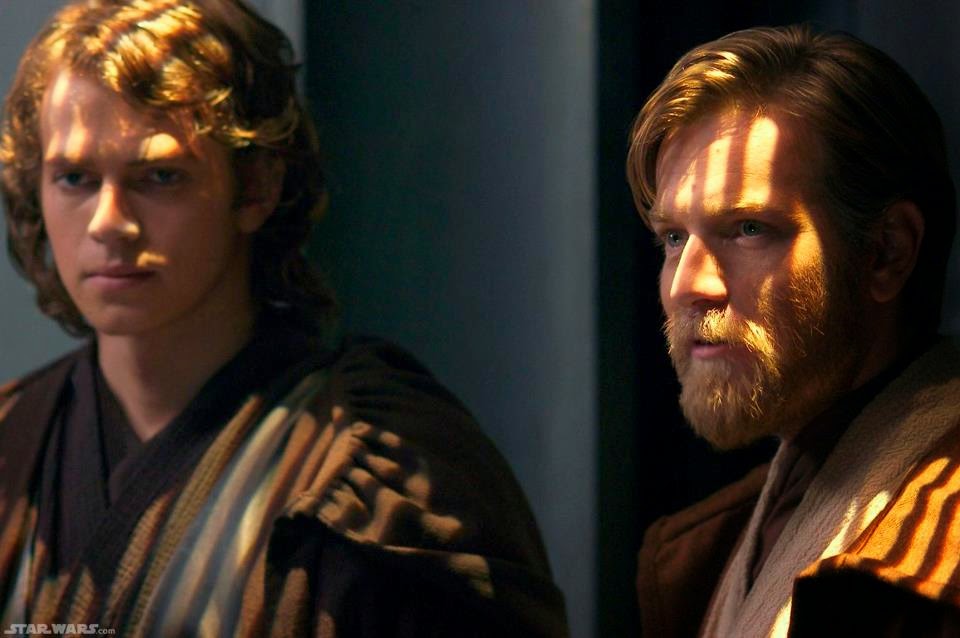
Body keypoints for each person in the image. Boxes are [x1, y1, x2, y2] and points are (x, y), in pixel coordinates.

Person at [0, 1, 567, 636]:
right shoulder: (15, 445)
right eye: (75, 178)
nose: (109, 223)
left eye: (160, 176)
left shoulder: (381, 477)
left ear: (256, 187)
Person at [627, 24, 960, 637]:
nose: (686, 284)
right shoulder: (706, 550)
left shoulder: (932, 558)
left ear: (886, 252)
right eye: (673, 238)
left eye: (749, 228)